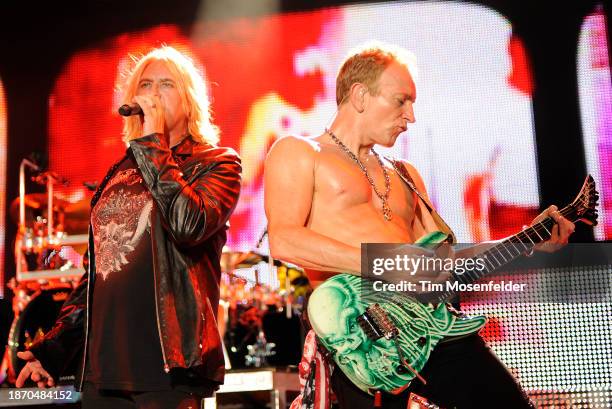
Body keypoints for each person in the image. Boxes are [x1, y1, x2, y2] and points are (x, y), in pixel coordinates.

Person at [264, 43, 574, 408]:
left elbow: (442, 264)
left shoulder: (405, 174)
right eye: (401, 101)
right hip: (358, 335)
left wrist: (527, 241)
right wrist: (386, 265)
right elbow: (285, 241)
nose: (410, 116)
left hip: (430, 325)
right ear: (360, 95)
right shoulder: (299, 152)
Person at [16, 46, 242, 408]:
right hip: (103, 370)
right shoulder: (120, 172)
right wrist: (54, 349)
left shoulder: (216, 164)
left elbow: (188, 225)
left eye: (165, 84)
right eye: (145, 85)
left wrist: (153, 144)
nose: (152, 93)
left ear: (190, 100)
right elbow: (99, 272)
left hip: (166, 366)